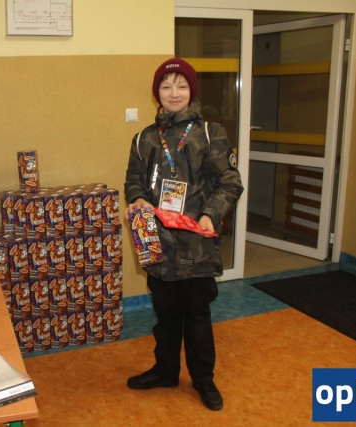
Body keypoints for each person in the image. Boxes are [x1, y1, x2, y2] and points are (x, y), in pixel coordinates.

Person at [124, 58, 243, 411]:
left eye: (181, 85)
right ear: (157, 93)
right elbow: (133, 182)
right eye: (166, 86)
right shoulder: (144, 138)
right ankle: (165, 372)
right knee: (165, 316)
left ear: (191, 90)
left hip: (196, 245)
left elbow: (230, 183)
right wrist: (138, 199)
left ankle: (204, 381)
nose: (174, 93)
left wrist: (210, 215)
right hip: (157, 244)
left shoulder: (210, 133)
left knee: (197, 318)